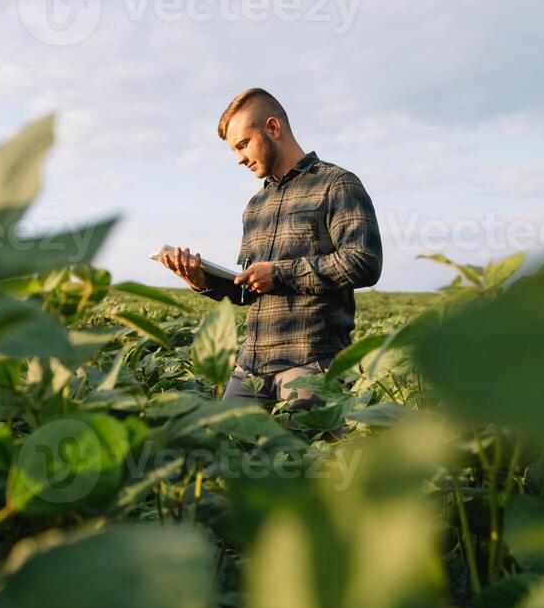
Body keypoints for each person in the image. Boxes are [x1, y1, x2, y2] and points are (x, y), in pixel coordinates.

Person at [159, 88, 383, 411]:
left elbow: (364, 261)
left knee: (302, 459)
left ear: (273, 128)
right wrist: (201, 280)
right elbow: (247, 293)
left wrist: (279, 273)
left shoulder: (337, 184)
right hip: (251, 367)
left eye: (243, 144)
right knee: (223, 449)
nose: (239, 158)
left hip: (312, 364)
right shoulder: (255, 207)